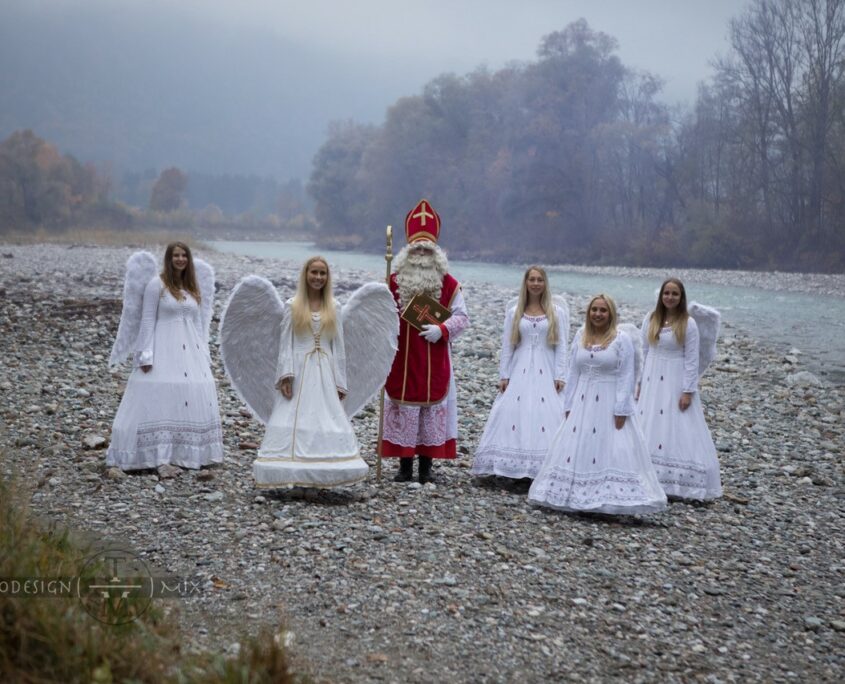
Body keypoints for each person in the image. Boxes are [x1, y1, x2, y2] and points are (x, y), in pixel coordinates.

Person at [528, 294, 667, 515]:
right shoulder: (580, 336)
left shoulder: (621, 340)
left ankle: (610, 497)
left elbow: (626, 376)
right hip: (582, 401)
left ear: (610, 314)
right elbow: (573, 371)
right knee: (577, 444)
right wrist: (569, 403)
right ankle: (574, 494)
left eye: (603, 310)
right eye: (594, 310)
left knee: (611, 444)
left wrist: (622, 407)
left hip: (608, 399)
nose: (598, 314)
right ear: (588, 312)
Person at [253, 257, 369, 488]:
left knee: (325, 417)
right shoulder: (292, 305)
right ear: (306, 275)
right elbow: (286, 343)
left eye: (322, 273)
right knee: (294, 415)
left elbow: (339, 347)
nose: (318, 277)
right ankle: (291, 471)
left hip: (325, 370)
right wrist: (286, 375)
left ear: (327, 277)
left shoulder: (334, 307)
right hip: (299, 368)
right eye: (314, 273)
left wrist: (339, 381)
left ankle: (323, 469)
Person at [107, 242, 224, 471]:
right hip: (163, 346)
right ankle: (152, 452)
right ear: (169, 259)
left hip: (190, 350)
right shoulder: (156, 285)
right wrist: (145, 356)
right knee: (159, 390)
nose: (180, 259)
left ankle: (185, 452)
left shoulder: (191, 288)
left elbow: (198, 323)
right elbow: (148, 320)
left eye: (184, 256)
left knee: (190, 390)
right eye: (176, 255)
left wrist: (203, 352)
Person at [381, 199, 470, 484]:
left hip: (434, 356)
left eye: (426, 249)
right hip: (403, 357)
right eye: (417, 248)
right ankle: (404, 467)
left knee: (430, 410)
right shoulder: (392, 282)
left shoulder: (449, 283)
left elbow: (463, 317)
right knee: (404, 408)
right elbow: (381, 314)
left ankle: (426, 468)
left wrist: (442, 330)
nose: (421, 253)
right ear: (408, 251)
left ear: (435, 253)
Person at [471, 266, 569, 479]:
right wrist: (504, 375)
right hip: (520, 366)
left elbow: (562, 346)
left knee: (546, 412)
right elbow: (508, 345)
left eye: (539, 280)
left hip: (547, 365)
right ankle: (511, 464)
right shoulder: (514, 311)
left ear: (545, 283)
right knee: (513, 410)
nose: (535, 283)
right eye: (532, 279)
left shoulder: (557, 312)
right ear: (526, 283)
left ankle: (544, 464)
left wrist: (560, 375)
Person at [636, 278, 722, 500]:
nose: (670, 298)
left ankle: (678, 481)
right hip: (652, 377)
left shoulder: (688, 323)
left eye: (674, 294)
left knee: (677, 424)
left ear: (681, 297)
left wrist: (687, 390)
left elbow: (692, 359)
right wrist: (639, 382)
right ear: (661, 296)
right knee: (649, 421)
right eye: (667, 293)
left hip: (675, 377)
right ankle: (645, 473)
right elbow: (643, 352)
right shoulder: (651, 318)